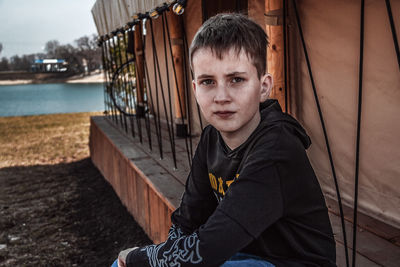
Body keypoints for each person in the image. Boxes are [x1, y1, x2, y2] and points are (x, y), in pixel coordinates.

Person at [113, 13, 336, 267]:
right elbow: (187, 219)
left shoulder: (277, 149)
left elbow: (208, 248)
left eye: (236, 80)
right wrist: (160, 259)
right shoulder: (211, 139)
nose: (222, 96)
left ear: (263, 87)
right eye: (208, 81)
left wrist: (138, 258)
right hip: (242, 253)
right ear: (195, 90)